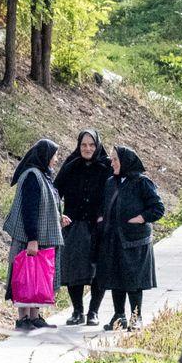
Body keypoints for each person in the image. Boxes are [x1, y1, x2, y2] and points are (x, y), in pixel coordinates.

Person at [95, 146, 165, 331]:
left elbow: (157, 208)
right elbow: (104, 204)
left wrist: (140, 218)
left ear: (126, 162)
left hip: (135, 240)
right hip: (113, 239)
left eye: (115, 159)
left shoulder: (142, 182)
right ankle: (119, 316)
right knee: (116, 279)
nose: (112, 163)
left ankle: (136, 317)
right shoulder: (111, 182)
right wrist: (102, 218)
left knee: (134, 281)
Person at [3, 139, 64, 331]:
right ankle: (23, 319)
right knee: (25, 276)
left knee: (37, 276)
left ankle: (34, 316)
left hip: (40, 236)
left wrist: (58, 217)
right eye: (54, 155)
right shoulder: (32, 176)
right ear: (45, 156)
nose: (56, 159)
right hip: (29, 237)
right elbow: (30, 210)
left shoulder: (43, 176)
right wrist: (32, 239)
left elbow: (46, 206)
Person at [54, 129, 112, 326]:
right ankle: (77, 310)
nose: (88, 149)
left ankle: (93, 311)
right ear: (79, 146)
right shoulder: (71, 167)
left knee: (99, 270)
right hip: (74, 225)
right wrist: (58, 214)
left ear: (97, 146)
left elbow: (115, 195)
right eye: (84, 145)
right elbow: (55, 192)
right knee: (74, 269)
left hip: (98, 226)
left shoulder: (106, 168)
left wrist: (105, 215)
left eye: (92, 145)